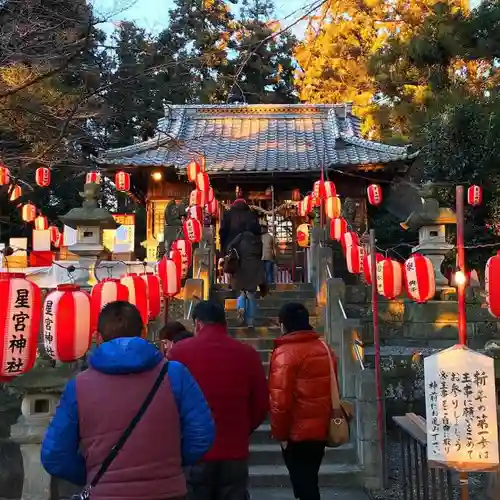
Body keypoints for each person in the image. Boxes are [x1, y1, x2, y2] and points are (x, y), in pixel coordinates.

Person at [41, 301, 215, 500]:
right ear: (143, 332)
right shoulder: (174, 373)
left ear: (98, 337)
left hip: (106, 493)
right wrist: (170, 464)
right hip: (167, 491)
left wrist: (96, 474)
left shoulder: (79, 385)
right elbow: (202, 434)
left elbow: (54, 454)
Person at [168, 300, 268, 500]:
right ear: (225, 323)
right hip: (234, 449)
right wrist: (243, 429)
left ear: (197, 324)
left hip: (193, 451)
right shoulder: (248, 354)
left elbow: (168, 402)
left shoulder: (178, 353)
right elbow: (260, 404)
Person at [268, 302, 339, 500]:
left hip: (296, 432)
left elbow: (280, 401)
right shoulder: (324, 348)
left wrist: (280, 434)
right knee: (309, 480)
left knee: (303, 485)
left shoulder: (285, 354)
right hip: (321, 428)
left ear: (284, 325)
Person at [227, 221, 264, 328]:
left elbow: (230, 246)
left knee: (241, 293)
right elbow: (260, 255)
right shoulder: (258, 240)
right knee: (251, 294)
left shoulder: (240, 237)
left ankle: (241, 309)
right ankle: (251, 321)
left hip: (240, 267)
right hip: (253, 268)